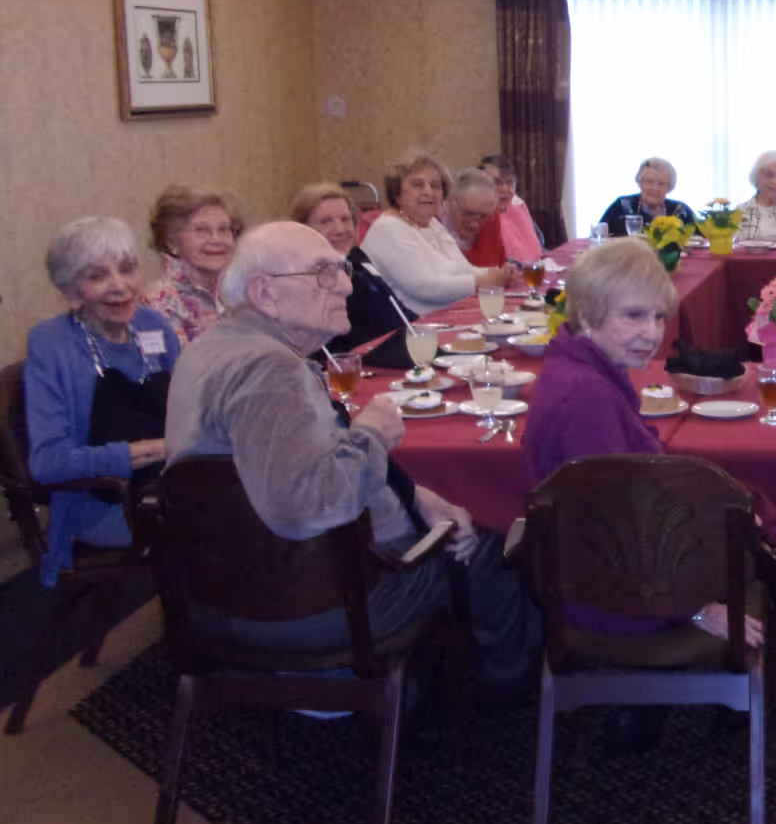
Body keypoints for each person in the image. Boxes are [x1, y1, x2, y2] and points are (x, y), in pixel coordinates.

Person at [163, 223, 538, 685]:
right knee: (492, 549)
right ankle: (503, 693)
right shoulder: (270, 370)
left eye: (341, 269)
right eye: (322, 273)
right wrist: (371, 436)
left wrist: (412, 492)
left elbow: (282, 465)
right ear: (265, 292)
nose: (345, 284)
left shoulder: (212, 348)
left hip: (217, 592)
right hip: (312, 604)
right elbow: (305, 506)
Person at [521, 239, 763, 749]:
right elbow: (626, 536)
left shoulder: (580, 371)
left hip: (585, 572)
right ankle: (728, 701)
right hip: (614, 596)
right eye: (632, 316)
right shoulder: (585, 398)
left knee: (747, 514)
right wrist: (698, 609)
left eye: (657, 317)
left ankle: (668, 700)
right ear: (586, 314)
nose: (650, 334)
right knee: (768, 557)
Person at [24, 218, 180, 588]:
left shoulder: (153, 325)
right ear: (71, 292)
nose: (119, 285)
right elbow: (48, 464)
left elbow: (190, 409)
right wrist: (158, 448)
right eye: (98, 276)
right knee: (228, 515)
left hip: (169, 484)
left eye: (127, 269)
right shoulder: (51, 345)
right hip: (106, 503)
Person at [360, 149, 516, 316]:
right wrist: (482, 281)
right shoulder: (389, 228)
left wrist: (497, 273)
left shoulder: (431, 223)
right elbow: (425, 286)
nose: (428, 191)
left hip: (448, 317)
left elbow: (462, 268)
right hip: (413, 329)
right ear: (397, 193)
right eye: (417, 185)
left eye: (435, 186)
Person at [289, 182, 415, 368]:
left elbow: (397, 311)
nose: (340, 229)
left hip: (397, 355)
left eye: (345, 219)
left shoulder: (357, 260)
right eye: (326, 221)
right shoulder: (305, 280)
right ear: (302, 230)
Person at [145, 185, 242, 347]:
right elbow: (181, 368)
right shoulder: (162, 302)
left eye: (224, 230)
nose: (217, 240)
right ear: (171, 241)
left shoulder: (235, 295)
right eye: (202, 230)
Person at [599, 157, 695, 237]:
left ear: (669, 187)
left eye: (661, 184)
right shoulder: (622, 205)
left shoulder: (681, 210)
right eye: (649, 181)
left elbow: (700, 241)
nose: (654, 188)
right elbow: (599, 236)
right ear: (640, 182)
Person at [480, 154, 545, 260]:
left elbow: (538, 247)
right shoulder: (477, 216)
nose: (505, 189)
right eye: (497, 183)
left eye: (510, 182)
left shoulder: (518, 205)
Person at [445, 168, 507, 267]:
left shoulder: (491, 218)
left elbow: (497, 266)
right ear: (450, 201)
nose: (474, 224)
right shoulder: (431, 224)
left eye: (483, 217)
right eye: (469, 214)